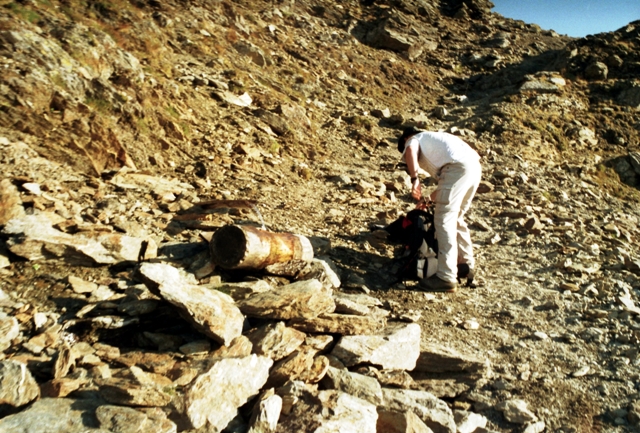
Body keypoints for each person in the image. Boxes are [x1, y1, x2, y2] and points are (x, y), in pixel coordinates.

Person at [397, 126, 482, 292]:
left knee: (444, 221)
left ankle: (445, 276)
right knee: (456, 217)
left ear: (406, 138)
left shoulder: (415, 139)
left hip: (457, 168)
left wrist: (415, 179)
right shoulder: (440, 140)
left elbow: (411, 150)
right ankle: (465, 265)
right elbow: (450, 182)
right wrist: (429, 199)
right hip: (474, 169)